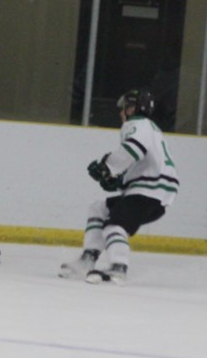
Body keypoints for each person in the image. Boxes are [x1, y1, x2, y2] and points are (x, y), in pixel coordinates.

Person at [59, 88, 179, 284]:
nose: (121, 112)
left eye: (125, 107)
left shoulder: (136, 124)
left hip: (150, 191)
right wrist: (118, 181)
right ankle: (88, 259)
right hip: (154, 190)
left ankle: (118, 267)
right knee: (99, 208)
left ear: (133, 108)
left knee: (115, 225)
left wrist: (108, 167)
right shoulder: (150, 128)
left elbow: (133, 149)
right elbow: (141, 162)